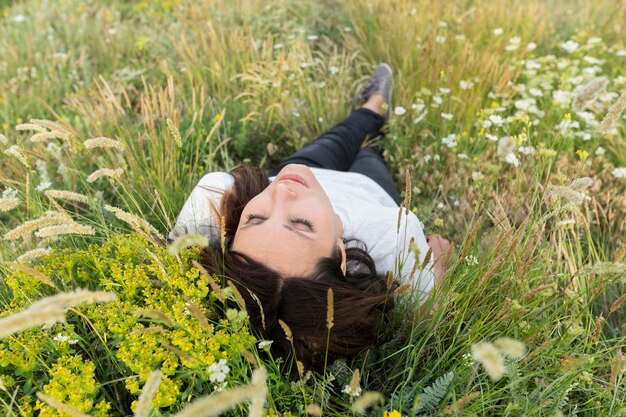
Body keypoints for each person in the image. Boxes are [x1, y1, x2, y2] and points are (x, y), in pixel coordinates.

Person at [169, 64, 452, 371]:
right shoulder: (393, 235)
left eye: (256, 218)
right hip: (367, 188)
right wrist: (436, 261)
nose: (279, 195)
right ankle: (377, 134)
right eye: (302, 225)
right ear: (342, 257)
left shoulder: (219, 197)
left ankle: (374, 105)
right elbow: (428, 305)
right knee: (370, 152)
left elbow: (173, 263)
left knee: (344, 134)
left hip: (307, 170)